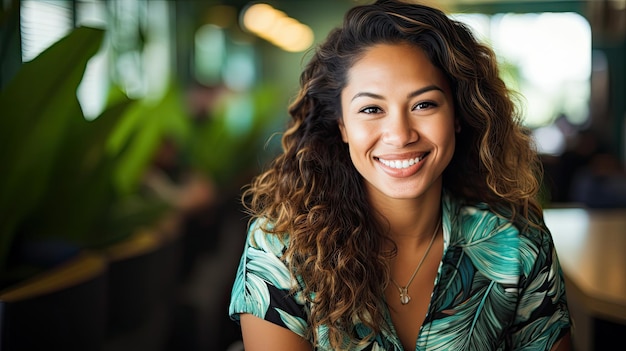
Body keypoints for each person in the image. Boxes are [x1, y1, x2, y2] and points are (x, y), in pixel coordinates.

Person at [228, 0, 572, 350]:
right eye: (371, 109)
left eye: (424, 104)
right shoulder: (282, 249)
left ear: (457, 114)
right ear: (342, 126)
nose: (401, 134)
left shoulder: (519, 245)